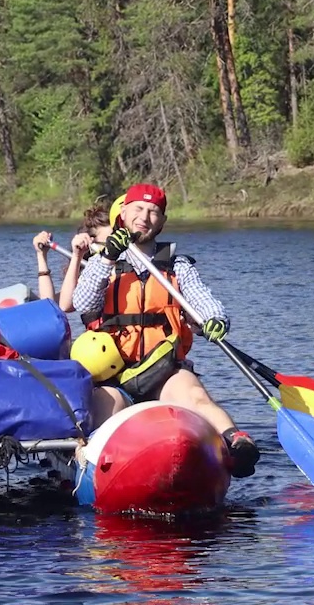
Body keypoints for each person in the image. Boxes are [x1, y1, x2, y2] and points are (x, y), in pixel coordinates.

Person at [69, 183, 260, 478]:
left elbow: (203, 300)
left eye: (153, 212)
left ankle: (236, 444)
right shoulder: (103, 262)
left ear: (162, 221)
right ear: (123, 213)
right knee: (105, 416)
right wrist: (107, 256)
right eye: (138, 209)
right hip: (116, 373)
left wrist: (215, 319)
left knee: (194, 395)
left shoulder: (178, 265)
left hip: (163, 369)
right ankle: (99, 467)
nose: (144, 217)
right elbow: (82, 302)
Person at [32, 198, 121, 312]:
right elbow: (51, 307)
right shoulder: (91, 277)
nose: (116, 249)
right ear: (92, 246)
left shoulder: (134, 267)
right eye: (109, 244)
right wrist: (41, 256)